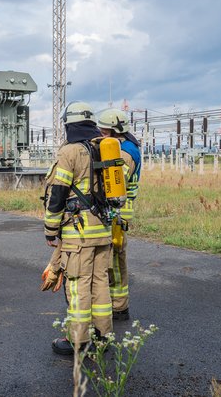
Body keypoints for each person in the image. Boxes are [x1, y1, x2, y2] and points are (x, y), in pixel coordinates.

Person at [44, 101, 113, 356]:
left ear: (69, 125)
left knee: (78, 285)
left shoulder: (70, 152)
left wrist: (51, 228)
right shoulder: (103, 148)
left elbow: (58, 192)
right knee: (100, 284)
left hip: (78, 233)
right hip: (103, 230)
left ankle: (78, 341)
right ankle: (103, 337)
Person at [96, 108, 141, 321]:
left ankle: (118, 306)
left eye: (104, 132)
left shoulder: (124, 153)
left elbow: (115, 184)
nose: (101, 136)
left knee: (113, 260)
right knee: (116, 258)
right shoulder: (128, 147)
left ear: (115, 132)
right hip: (121, 212)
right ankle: (119, 304)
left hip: (117, 213)